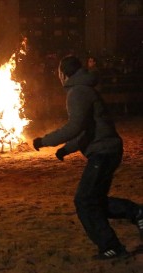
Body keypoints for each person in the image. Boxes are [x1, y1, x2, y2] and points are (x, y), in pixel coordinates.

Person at [33, 55, 143, 260]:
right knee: (94, 200)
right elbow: (88, 130)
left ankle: (111, 247)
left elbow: (74, 127)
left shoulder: (77, 92)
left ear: (62, 73)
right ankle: (136, 213)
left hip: (103, 152)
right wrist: (67, 149)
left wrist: (44, 141)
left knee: (84, 201)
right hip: (107, 150)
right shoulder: (84, 89)